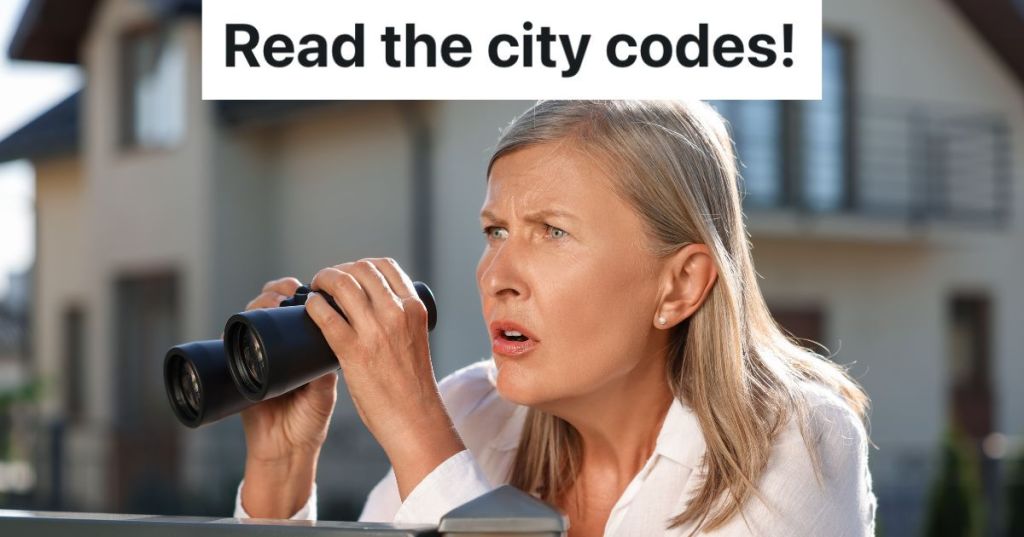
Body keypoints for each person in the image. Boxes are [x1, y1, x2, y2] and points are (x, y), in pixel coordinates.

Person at [232, 100, 877, 536]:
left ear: (679, 285)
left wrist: (417, 435)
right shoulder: (470, 414)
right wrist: (279, 477)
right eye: (495, 231)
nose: (495, 276)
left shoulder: (799, 441)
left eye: (552, 233)